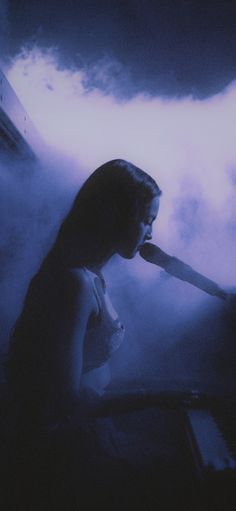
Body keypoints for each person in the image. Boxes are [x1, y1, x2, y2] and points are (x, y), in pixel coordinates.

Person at [4, 159, 161, 509]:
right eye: (146, 220)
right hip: (61, 447)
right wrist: (159, 396)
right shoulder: (74, 283)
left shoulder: (93, 277)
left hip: (92, 430)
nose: (150, 233)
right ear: (113, 215)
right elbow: (67, 401)